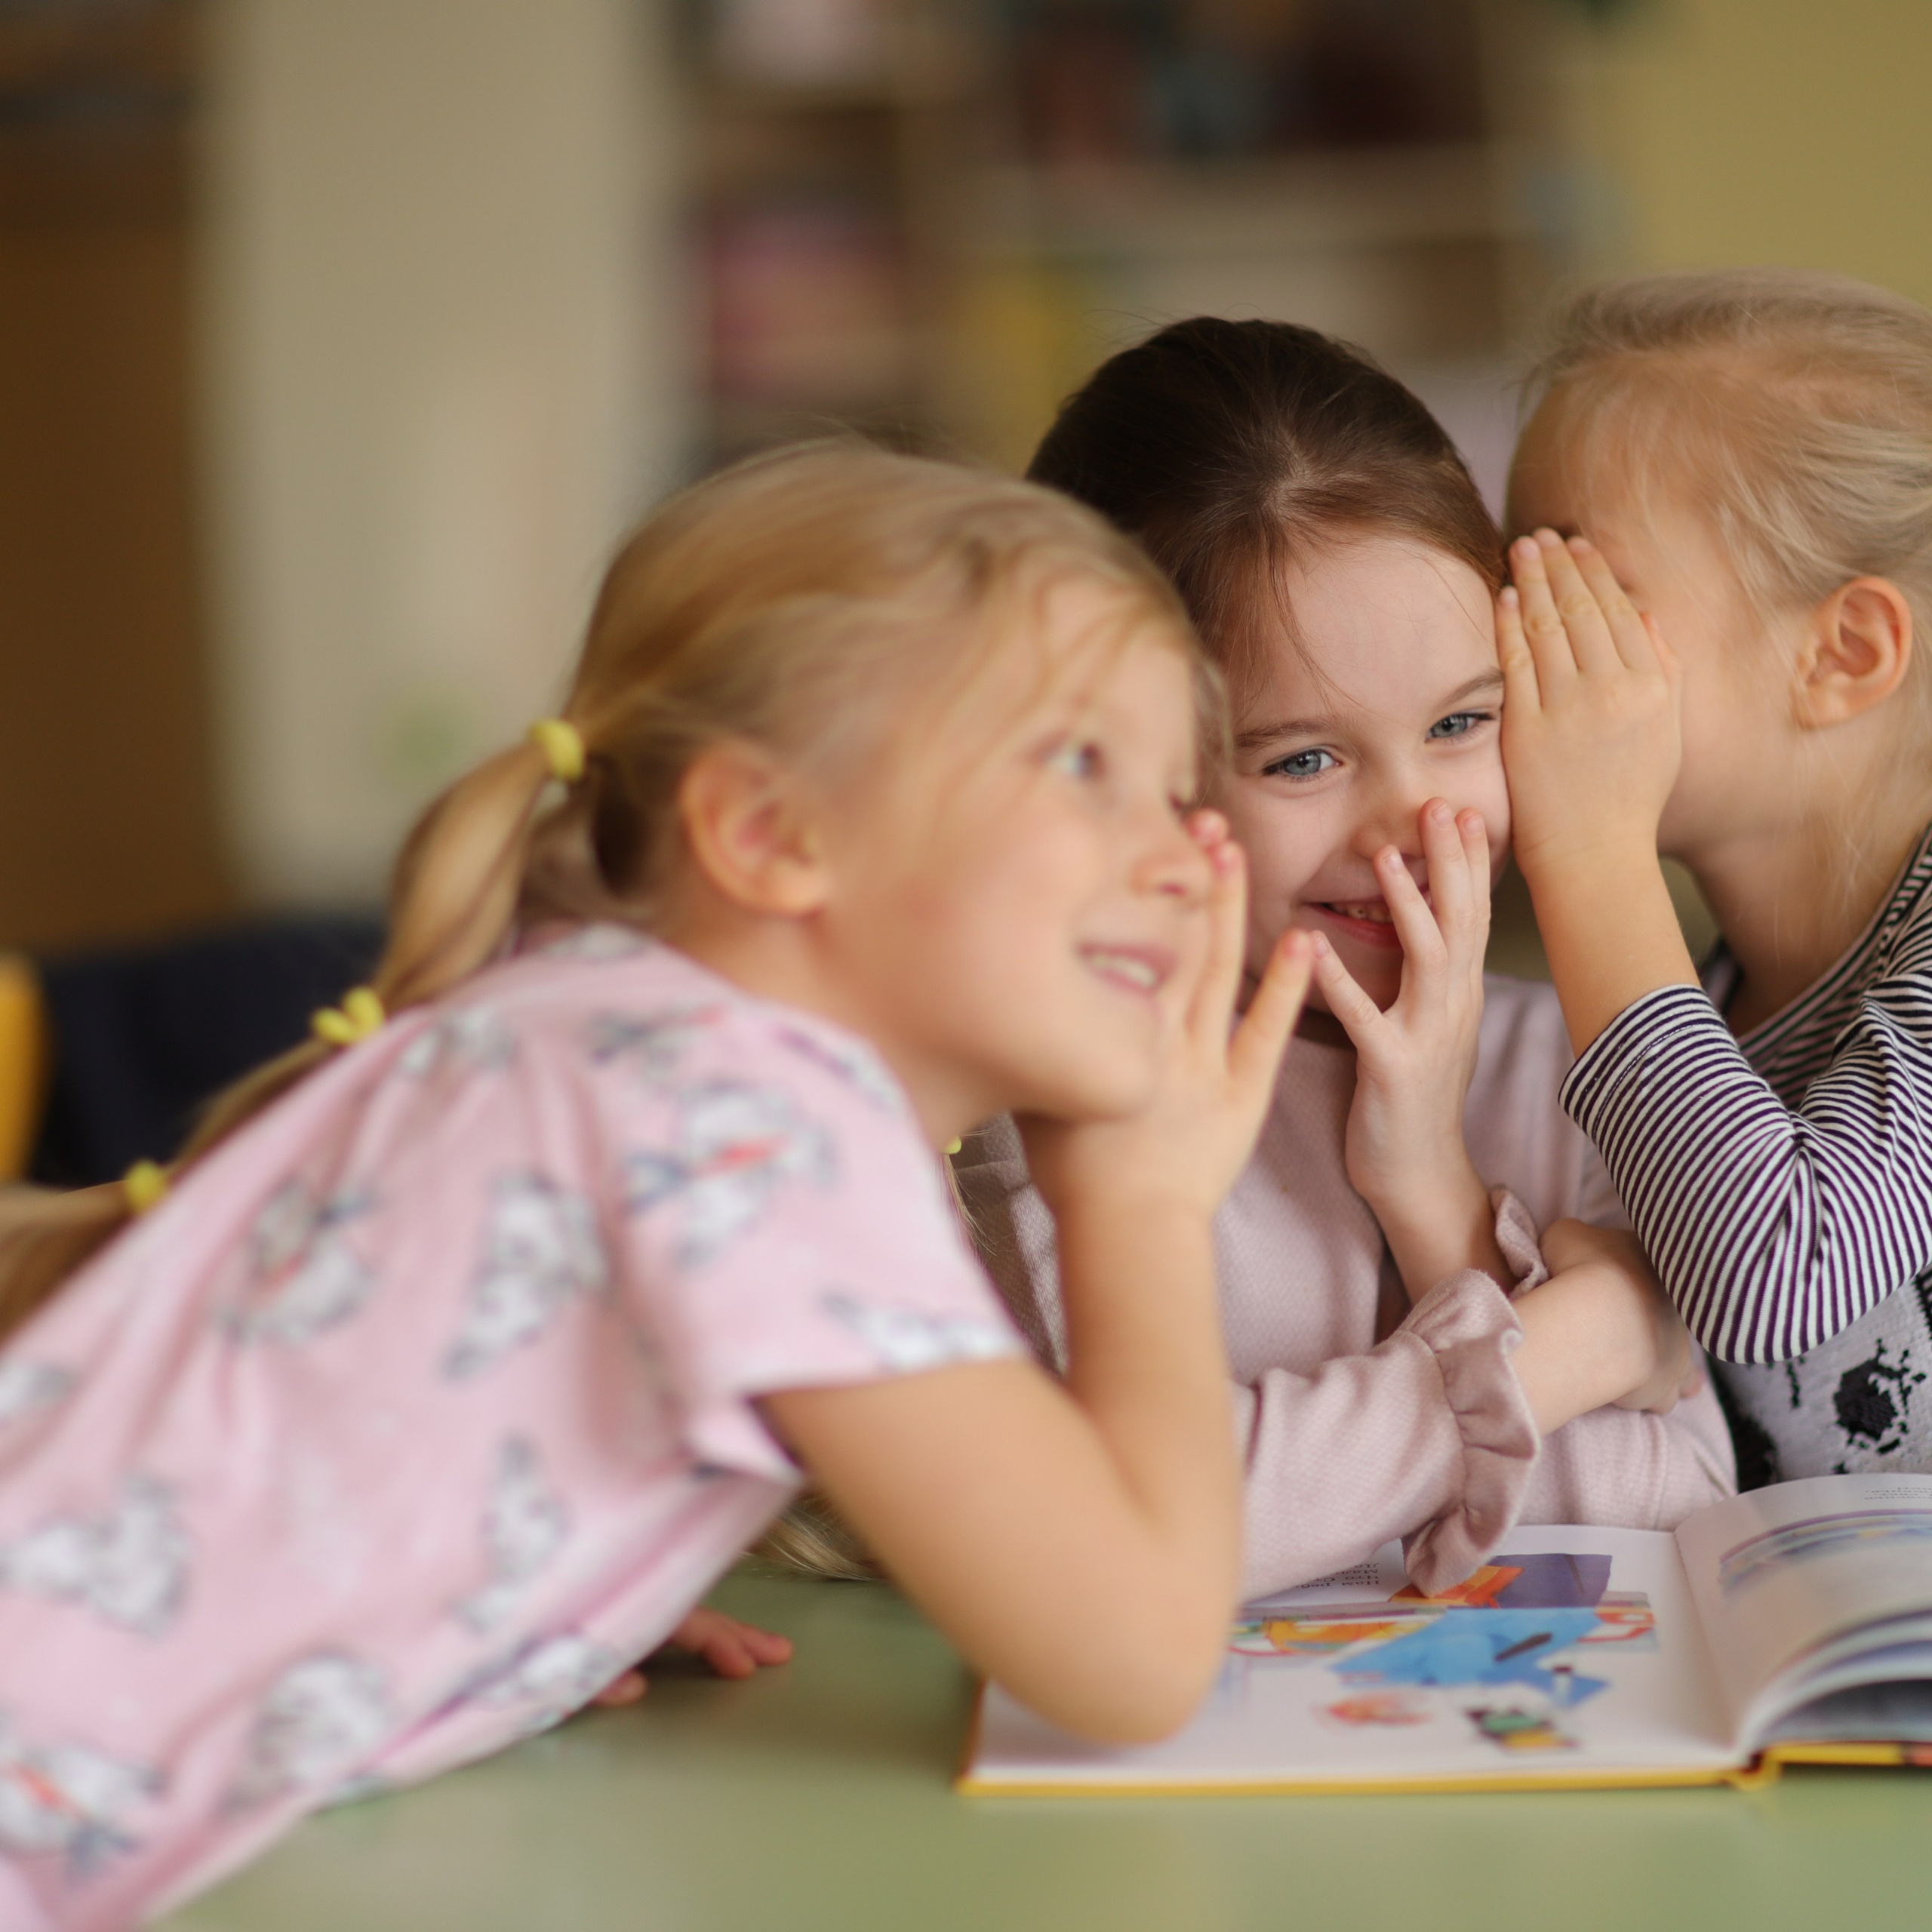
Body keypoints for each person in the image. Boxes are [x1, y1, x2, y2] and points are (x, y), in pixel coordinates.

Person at [0, 442, 1322, 1930]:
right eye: (1083, 763)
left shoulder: (605, 1024)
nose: (1188, 858)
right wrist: (1138, 1202)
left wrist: (551, 1575)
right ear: (768, 835)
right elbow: (1130, 1655)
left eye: (1175, 786)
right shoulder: (750, 1116)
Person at [959, 316, 1730, 1601]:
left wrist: (1431, 1189)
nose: (1410, 829)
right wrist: (1578, 1344)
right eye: (1300, 759)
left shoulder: (1581, 1054)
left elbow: (1681, 1504)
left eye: (1459, 723)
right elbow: (1165, 1526)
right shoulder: (1062, 1102)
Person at [1500, 269, 1932, 1484]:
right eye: (1513, 579)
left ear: (1843, 655)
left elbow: (1777, 1275)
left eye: (1585, 589)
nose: (1517, 636)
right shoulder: (1715, 997)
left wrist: (1588, 850)